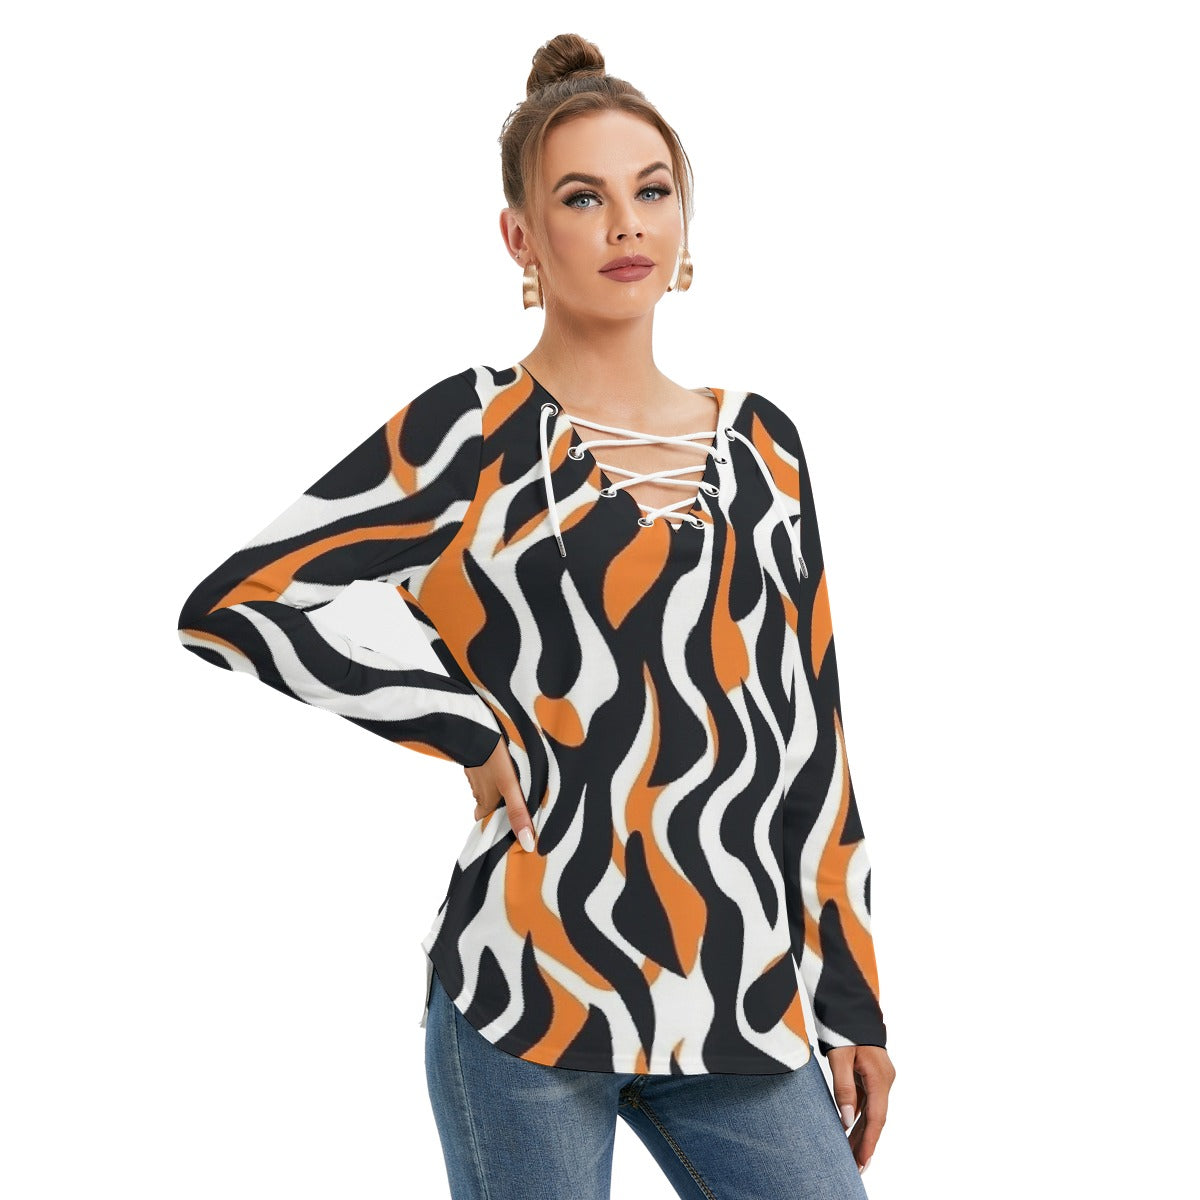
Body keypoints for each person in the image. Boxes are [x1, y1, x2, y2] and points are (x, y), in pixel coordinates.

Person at [176, 30, 896, 1200]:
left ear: (684, 220)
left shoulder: (766, 446)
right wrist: (458, 724)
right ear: (520, 236)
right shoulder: (471, 432)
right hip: (529, 992)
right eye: (582, 197)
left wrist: (852, 1000)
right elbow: (242, 601)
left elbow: (810, 736)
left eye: (651, 192)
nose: (626, 225)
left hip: (739, 1001)